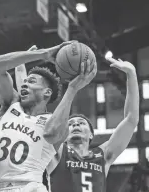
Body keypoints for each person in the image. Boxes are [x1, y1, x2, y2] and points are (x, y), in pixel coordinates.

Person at [0, 42, 96, 192]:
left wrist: (72, 88)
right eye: (24, 82)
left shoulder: (53, 121)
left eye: (31, 82)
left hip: (30, 187)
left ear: (47, 92)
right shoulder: (10, 106)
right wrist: (42, 54)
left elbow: (52, 134)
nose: (24, 85)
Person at [45, 57, 139, 192]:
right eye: (70, 124)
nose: (76, 124)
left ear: (90, 135)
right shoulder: (56, 153)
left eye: (81, 123)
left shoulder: (103, 156)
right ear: (64, 135)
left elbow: (131, 119)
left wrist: (131, 73)